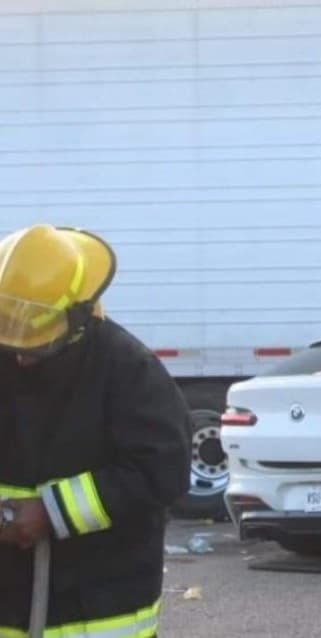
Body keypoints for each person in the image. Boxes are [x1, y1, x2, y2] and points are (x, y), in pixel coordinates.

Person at [0, 224, 192, 636]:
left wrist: (51, 513)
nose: (21, 359)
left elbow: (160, 471)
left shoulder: (128, 369)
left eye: (36, 345)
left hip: (100, 606)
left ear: (78, 317)